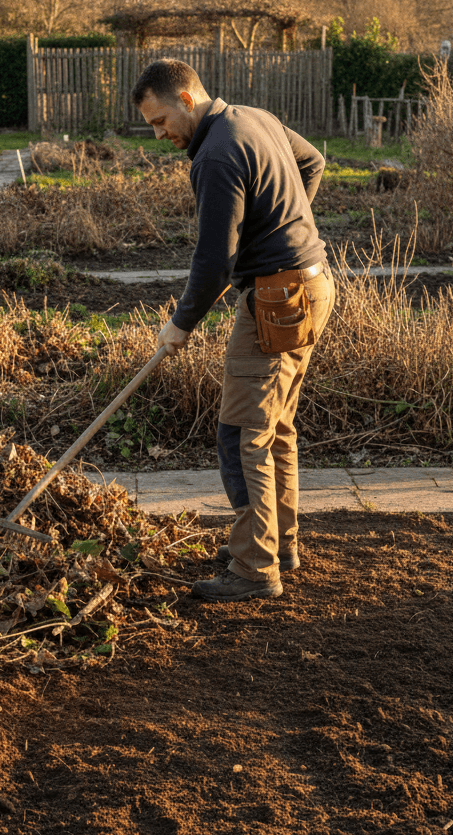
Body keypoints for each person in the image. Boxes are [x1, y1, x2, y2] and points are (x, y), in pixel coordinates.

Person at [132, 58, 335, 602]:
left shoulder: (216, 156)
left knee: (240, 434)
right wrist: (283, 230)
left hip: (276, 301)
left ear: (187, 99)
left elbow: (215, 262)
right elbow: (312, 162)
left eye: (160, 121)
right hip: (312, 286)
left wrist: (180, 323)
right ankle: (276, 544)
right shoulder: (254, 117)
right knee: (274, 429)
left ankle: (253, 568)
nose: (160, 135)